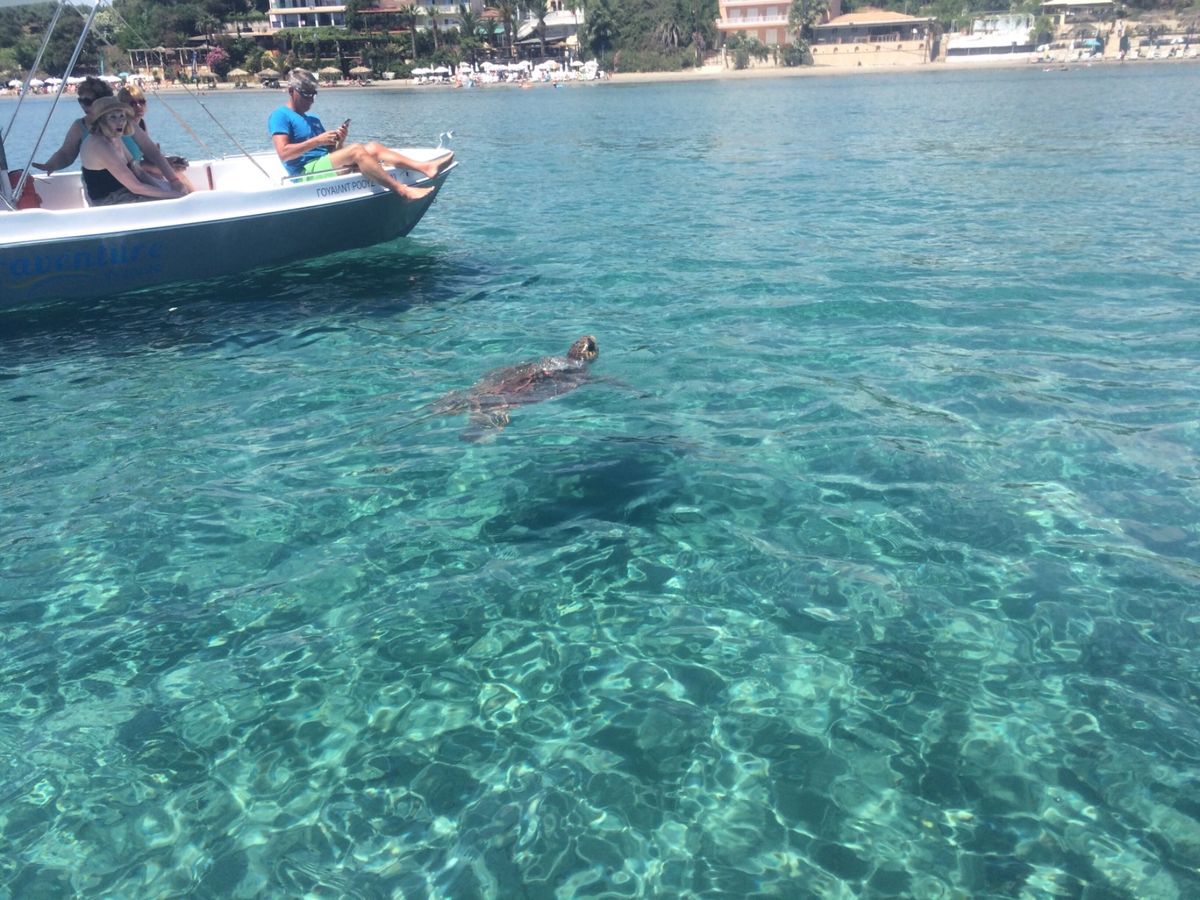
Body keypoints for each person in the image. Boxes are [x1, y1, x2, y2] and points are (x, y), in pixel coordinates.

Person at [268, 68, 452, 200]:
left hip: (323, 165)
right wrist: (317, 141)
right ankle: (402, 191)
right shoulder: (280, 115)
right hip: (305, 172)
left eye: (313, 94)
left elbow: (331, 155)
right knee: (357, 150)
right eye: (306, 95)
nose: (311, 100)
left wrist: (340, 141)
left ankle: (425, 167)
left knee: (373, 148)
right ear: (291, 91)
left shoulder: (313, 119)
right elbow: (284, 153)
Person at [33, 76, 192, 196]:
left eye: (89, 101)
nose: (84, 105)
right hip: (110, 189)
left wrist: (173, 181)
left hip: (136, 176)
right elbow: (66, 154)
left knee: (181, 182)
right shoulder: (87, 133)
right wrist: (51, 164)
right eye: (82, 101)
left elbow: (150, 152)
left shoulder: (123, 125)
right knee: (175, 192)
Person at [78, 97, 185, 206]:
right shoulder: (99, 145)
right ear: (101, 121)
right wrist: (176, 196)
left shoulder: (114, 137)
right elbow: (136, 187)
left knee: (181, 189)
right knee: (174, 202)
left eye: (122, 116)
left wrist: (171, 186)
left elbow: (137, 170)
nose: (120, 122)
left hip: (126, 192)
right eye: (112, 117)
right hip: (109, 201)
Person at [117, 84, 195, 191]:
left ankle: (196, 198)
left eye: (142, 102)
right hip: (130, 176)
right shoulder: (120, 129)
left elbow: (148, 156)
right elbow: (127, 164)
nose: (139, 106)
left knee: (178, 175)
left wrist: (168, 161)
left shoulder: (141, 124)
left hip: (142, 170)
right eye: (132, 104)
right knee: (174, 178)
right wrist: (155, 167)